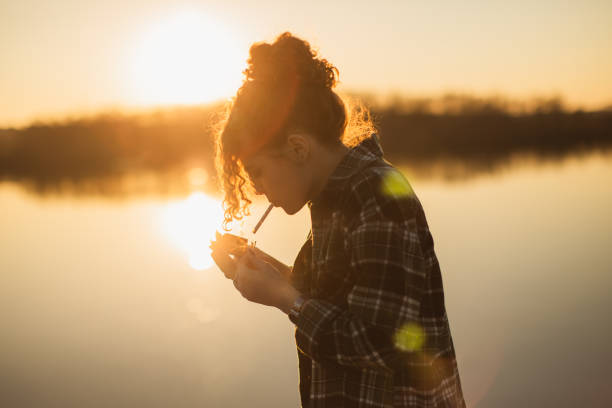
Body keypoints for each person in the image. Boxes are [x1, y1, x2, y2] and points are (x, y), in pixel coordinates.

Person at [209, 31, 466, 408]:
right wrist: (275, 275)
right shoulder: (333, 200)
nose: (258, 189)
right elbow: (345, 306)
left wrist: (286, 300)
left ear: (297, 147)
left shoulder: (376, 193)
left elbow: (383, 341)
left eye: (259, 171)